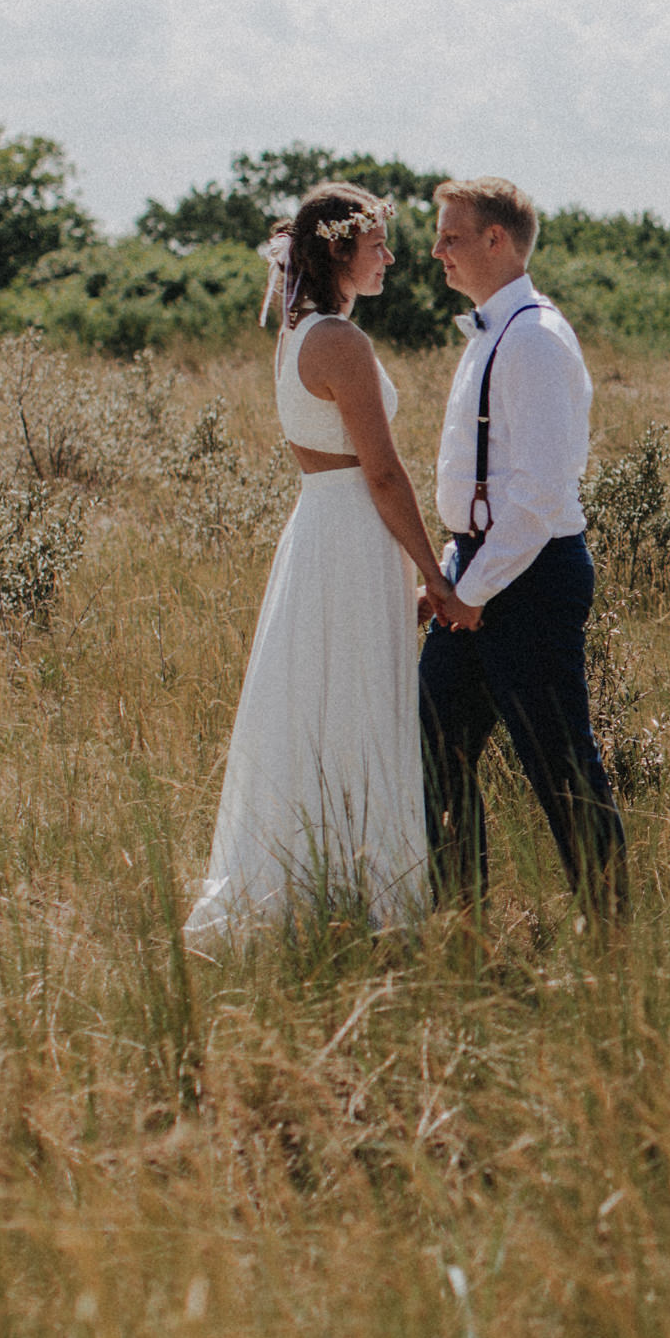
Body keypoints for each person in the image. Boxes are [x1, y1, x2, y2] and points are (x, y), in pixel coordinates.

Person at [183, 184, 478, 950]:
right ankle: (362, 896)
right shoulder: (341, 344)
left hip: (324, 528)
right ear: (338, 248)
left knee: (323, 701)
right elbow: (382, 472)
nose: (390, 256)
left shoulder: (297, 332)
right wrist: (437, 576)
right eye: (377, 243)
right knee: (352, 700)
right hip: (350, 526)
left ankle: (318, 881)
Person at [419, 175, 629, 919]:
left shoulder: (533, 338)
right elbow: (486, 483)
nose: (436, 249)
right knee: (431, 739)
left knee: (560, 765)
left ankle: (613, 938)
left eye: (449, 234)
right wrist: (453, 576)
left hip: (530, 579)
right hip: (479, 570)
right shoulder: (487, 332)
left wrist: (472, 594)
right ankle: (461, 918)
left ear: (494, 240)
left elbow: (538, 496)